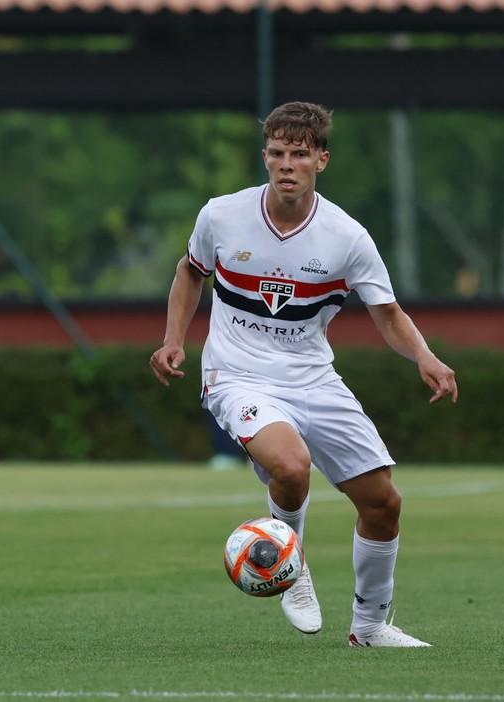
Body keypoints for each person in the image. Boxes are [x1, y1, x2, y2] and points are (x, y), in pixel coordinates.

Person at [149, 102, 457, 647]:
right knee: (292, 466)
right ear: (264, 157)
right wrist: (174, 340)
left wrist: (426, 358)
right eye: (276, 153)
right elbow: (188, 273)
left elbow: (387, 314)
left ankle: (368, 630)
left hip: (313, 380)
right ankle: (289, 565)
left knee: (384, 504)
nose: (285, 164)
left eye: (298, 154)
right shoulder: (221, 215)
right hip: (236, 374)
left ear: (321, 160)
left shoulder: (347, 237)